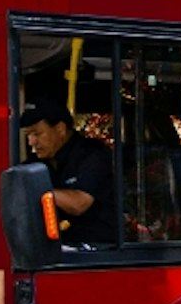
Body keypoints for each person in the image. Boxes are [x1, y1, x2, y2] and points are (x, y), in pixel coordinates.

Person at [19, 99, 116, 245]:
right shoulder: (36, 163)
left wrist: (37, 190)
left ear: (60, 129)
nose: (32, 142)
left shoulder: (92, 155)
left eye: (37, 134)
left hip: (97, 253)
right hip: (53, 251)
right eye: (28, 135)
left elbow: (79, 204)